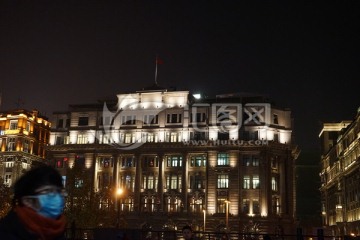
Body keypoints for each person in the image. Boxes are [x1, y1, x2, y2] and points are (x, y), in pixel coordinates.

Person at [0, 165, 67, 240]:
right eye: (49, 191)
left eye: (59, 191)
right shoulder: (6, 233)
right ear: (28, 201)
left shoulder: (57, 233)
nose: (57, 197)